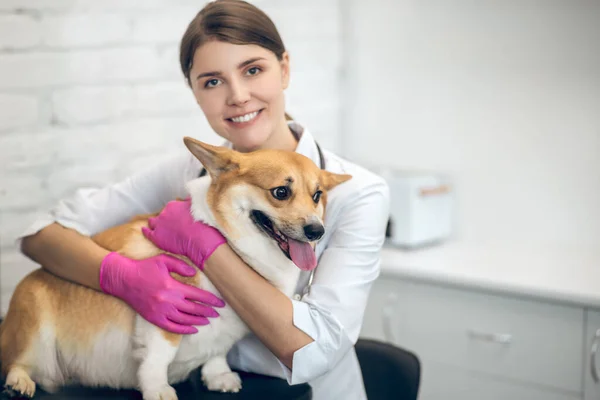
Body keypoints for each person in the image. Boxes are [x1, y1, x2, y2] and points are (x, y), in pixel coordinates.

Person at [17, 1, 390, 399]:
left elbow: (313, 351)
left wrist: (206, 247)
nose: (238, 96)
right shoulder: (187, 173)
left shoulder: (359, 193)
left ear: (284, 69)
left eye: (253, 70)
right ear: (194, 93)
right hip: (204, 386)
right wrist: (121, 276)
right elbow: (39, 236)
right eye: (212, 81)